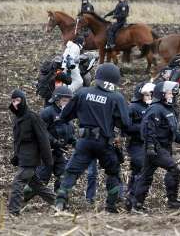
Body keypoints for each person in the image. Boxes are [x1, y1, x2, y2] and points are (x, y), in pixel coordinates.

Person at [55, 63, 132, 213]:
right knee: (113, 173)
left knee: (71, 172)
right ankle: (110, 207)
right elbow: (125, 124)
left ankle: (60, 203)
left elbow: (65, 116)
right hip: (104, 143)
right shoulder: (117, 97)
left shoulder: (83, 93)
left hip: (84, 142)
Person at [24, 86, 98, 205]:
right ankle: (20, 199)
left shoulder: (68, 114)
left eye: (69, 100)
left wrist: (75, 142)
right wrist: (54, 141)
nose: (67, 103)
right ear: (56, 100)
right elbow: (40, 131)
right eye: (64, 100)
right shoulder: (47, 112)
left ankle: (60, 204)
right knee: (40, 181)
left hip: (60, 153)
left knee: (64, 177)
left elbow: (69, 132)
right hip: (46, 154)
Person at [131, 81, 180, 211]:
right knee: (175, 169)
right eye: (169, 93)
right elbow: (147, 129)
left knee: (146, 175)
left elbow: (173, 130)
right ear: (162, 94)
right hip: (156, 148)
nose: (172, 95)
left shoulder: (169, 109)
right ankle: (172, 201)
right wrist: (151, 147)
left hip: (164, 147)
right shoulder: (155, 109)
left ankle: (136, 204)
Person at [8, 89, 56, 216]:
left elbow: (43, 139)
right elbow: (18, 141)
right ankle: (59, 203)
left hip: (31, 158)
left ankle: (14, 212)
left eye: (18, 100)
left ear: (23, 101)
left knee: (18, 182)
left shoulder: (33, 117)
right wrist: (16, 156)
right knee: (37, 185)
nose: (15, 103)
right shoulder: (17, 118)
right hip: (23, 157)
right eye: (13, 101)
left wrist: (48, 160)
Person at [124, 81, 155, 209]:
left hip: (147, 144)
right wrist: (143, 127)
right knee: (142, 170)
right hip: (136, 144)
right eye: (147, 95)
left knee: (138, 171)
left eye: (150, 95)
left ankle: (131, 199)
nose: (149, 97)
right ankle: (133, 198)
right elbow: (126, 127)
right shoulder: (133, 107)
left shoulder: (151, 107)